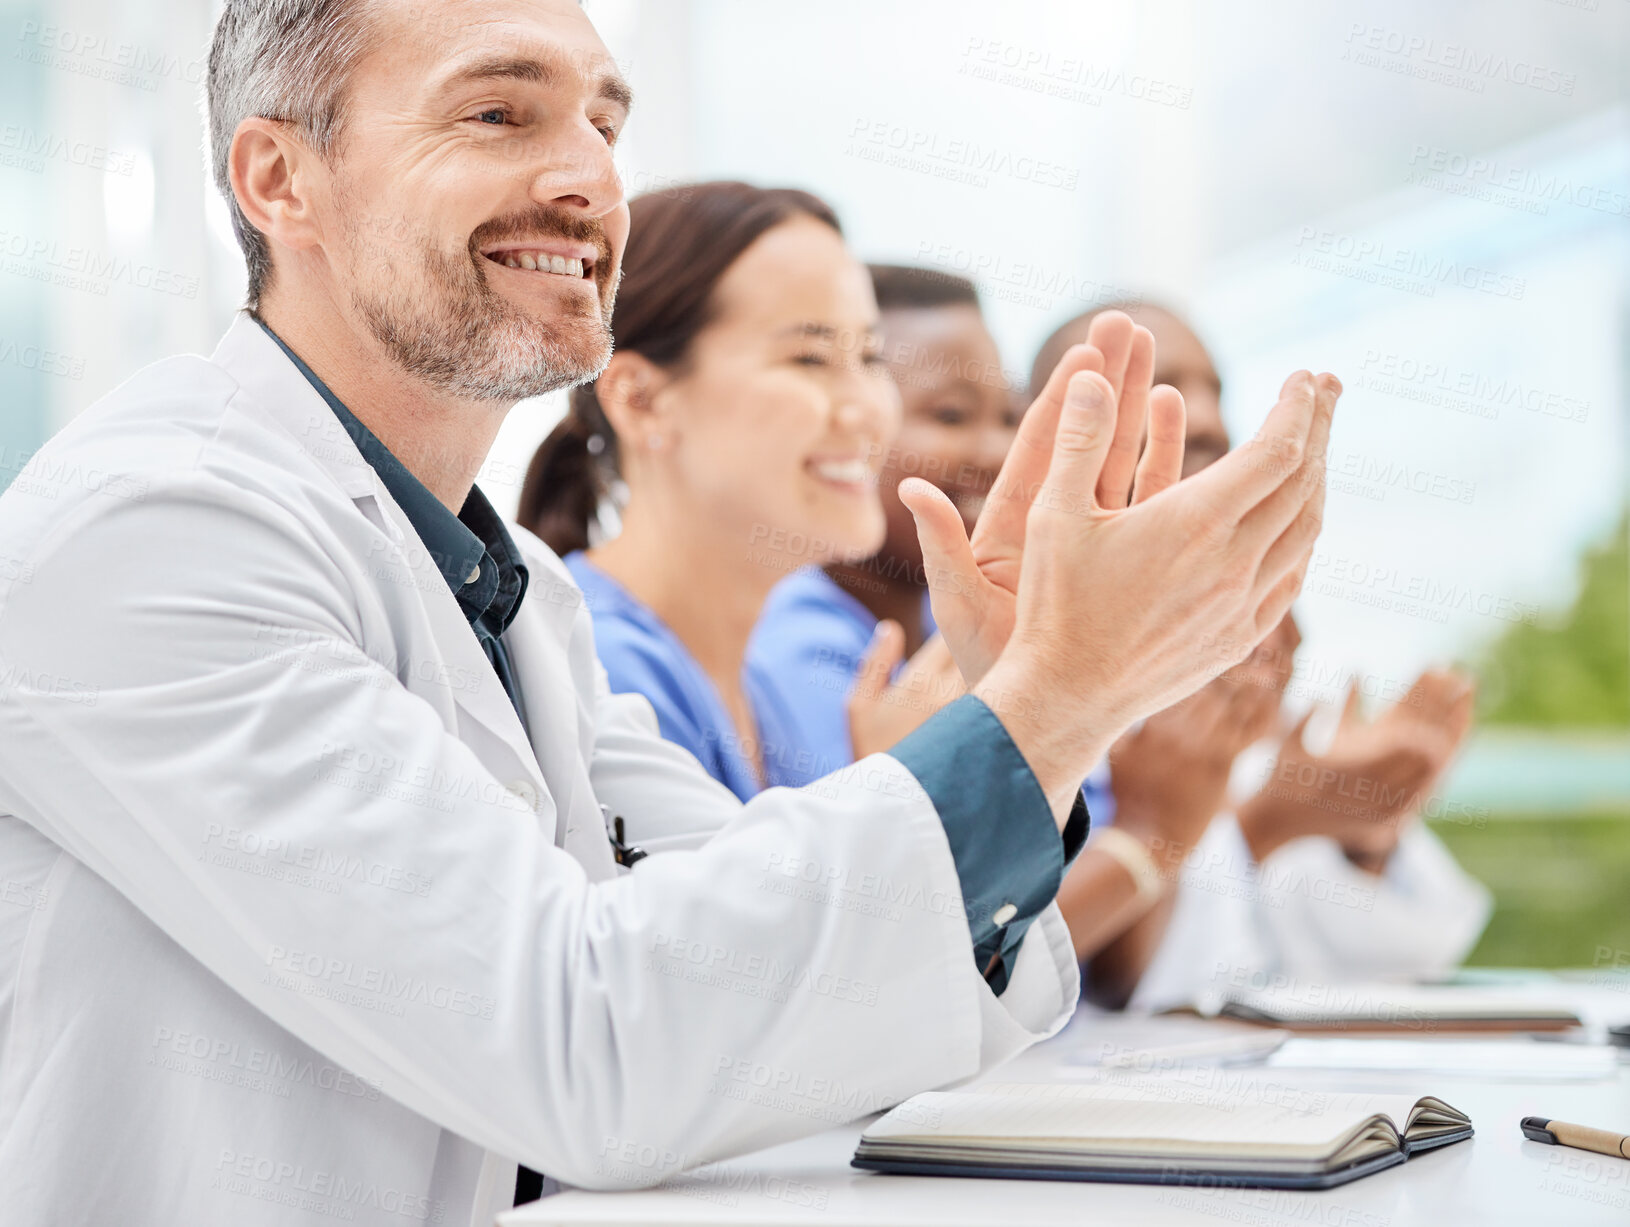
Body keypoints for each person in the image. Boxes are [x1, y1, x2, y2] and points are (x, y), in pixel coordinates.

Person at [0, 3, 1339, 1224]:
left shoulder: (509, 591)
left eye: (605, 119)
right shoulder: (150, 530)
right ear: (278, 179)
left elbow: (754, 965)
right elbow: (579, 1039)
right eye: (498, 112)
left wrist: (1022, 703)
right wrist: (1054, 700)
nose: (589, 177)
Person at [1030, 303, 1489, 1010]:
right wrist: (1261, 823)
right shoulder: (1029, 655)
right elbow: (1072, 974)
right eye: (1168, 389)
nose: (1210, 419)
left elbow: (1398, 951)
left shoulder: (1251, 645)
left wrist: (1362, 834)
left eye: (1215, 390)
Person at [517, 186, 959, 803]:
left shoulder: (773, 679)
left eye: (870, 355)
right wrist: (901, 793)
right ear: (640, 399)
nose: (869, 409)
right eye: (809, 357)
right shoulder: (594, 673)